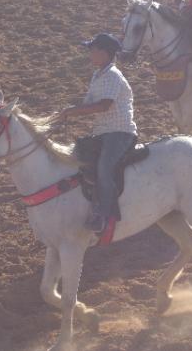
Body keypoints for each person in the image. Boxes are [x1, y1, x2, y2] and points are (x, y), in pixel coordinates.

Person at [54, 33, 138, 233]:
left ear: (104, 53)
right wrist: (67, 112)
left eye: (92, 50)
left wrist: (72, 111)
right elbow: (88, 104)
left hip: (120, 133)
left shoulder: (113, 76)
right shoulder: (98, 75)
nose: (90, 54)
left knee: (104, 168)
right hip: (103, 132)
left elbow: (103, 106)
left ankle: (105, 214)